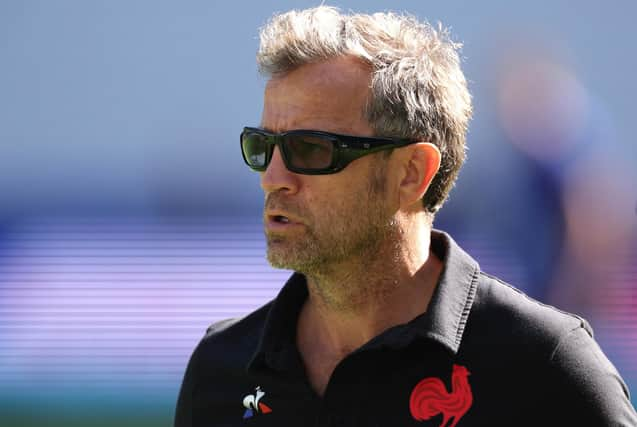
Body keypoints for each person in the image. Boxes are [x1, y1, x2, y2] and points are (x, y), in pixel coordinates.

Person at [174, 6, 637, 426]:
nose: (273, 178)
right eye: (263, 147)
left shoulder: (547, 370)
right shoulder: (220, 369)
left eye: (310, 149)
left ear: (412, 173)